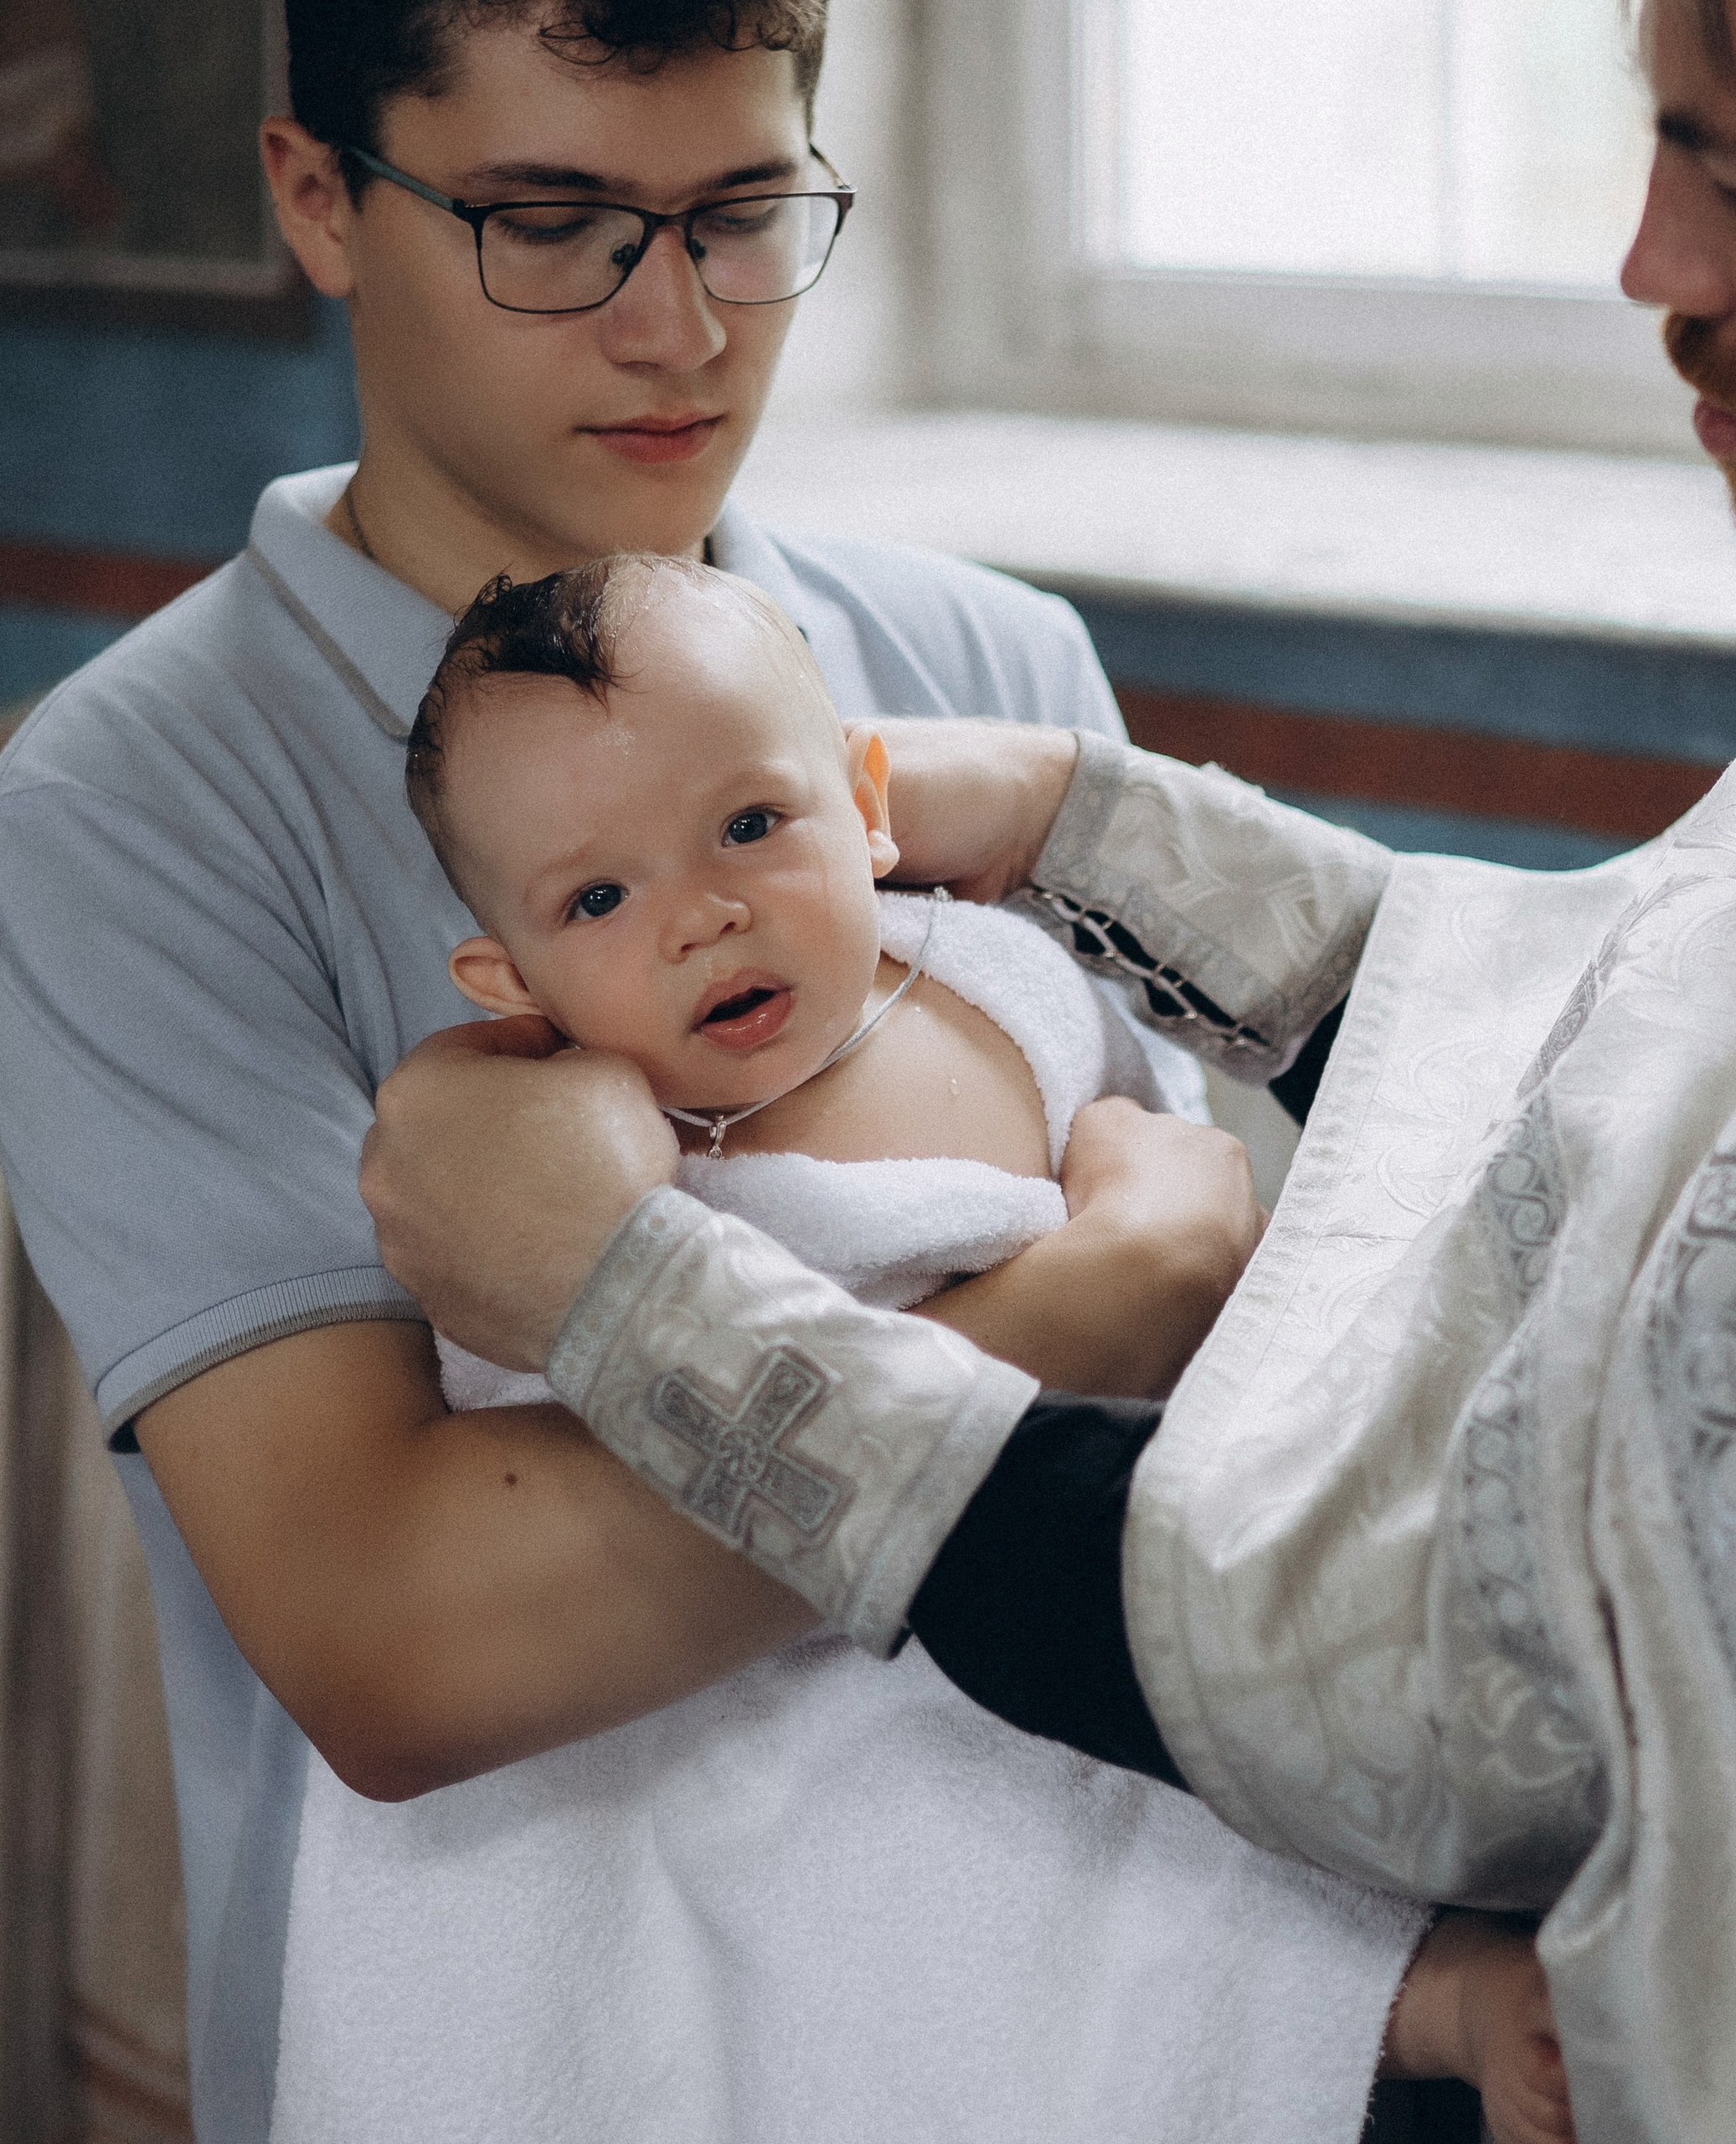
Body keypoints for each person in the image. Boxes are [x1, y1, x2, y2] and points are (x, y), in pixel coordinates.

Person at [358, 1, 1736, 2137]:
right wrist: (1047, 818)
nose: (1645, 260)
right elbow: (1626, 1015)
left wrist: (624, 1292)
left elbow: (1405, 1672)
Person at [0, 3, 1514, 2136]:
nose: (677, 331)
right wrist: (1079, 1307)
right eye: (552, 227)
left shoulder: (986, 674)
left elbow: (1182, 1497)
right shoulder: (133, 806)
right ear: (318, 200)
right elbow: (405, 1639)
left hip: (1060, 2010)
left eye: (739, 215)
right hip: (516, 2031)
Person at [263, 549, 1574, 2143]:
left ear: (868, 804)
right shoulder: (567, 1140)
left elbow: (1177, 1192)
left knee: (1172, 1782)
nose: (706, 914)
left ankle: (1407, 1994)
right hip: (734, 1667)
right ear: (508, 981)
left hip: (1056, 1554)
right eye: (599, 899)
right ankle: (1394, 2001)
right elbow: (526, 1437)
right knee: (907, 1850)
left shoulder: (1005, 978)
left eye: (752, 825)